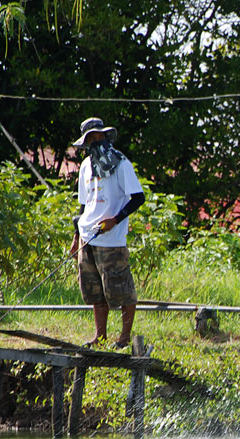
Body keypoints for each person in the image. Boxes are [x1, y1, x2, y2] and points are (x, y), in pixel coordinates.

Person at [68, 117, 145, 349]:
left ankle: (124, 337)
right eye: (90, 139)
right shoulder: (85, 166)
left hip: (111, 239)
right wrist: (76, 238)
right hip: (87, 235)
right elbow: (83, 205)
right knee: (94, 291)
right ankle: (99, 336)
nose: (95, 141)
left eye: (98, 136)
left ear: (105, 137)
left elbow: (138, 197)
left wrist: (116, 220)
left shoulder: (121, 163)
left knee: (121, 290)